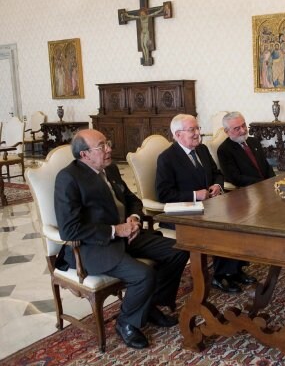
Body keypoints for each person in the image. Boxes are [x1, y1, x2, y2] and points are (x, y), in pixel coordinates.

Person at [54, 129, 189, 350]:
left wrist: (134, 218)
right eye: (102, 146)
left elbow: (132, 199)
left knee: (179, 249)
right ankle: (126, 322)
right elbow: (69, 230)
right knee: (143, 275)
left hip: (128, 235)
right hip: (94, 246)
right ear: (84, 155)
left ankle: (149, 305)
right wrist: (116, 230)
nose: (109, 149)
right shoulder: (68, 178)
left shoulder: (111, 169)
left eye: (107, 143)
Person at [156, 114, 256, 293]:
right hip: (184, 212)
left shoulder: (201, 149)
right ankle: (220, 276)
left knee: (239, 217)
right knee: (220, 227)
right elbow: (164, 194)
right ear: (178, 135)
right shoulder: (167, 158)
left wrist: (217, 185)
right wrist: (195, 195)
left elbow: (217, 173)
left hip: (210, 205)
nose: (197, 133)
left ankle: (235, 270)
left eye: (197, 128)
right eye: (192, 130)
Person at [217, 111, 275, 187]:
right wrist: (263, 183)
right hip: (249, 190)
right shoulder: (224, 150)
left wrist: (273, 181)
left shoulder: (254, 141)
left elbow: (267, 166)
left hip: (267, 185)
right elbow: (235, 178)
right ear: (227, 131)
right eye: (237, 128)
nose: (243, 130)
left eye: (243, 125)